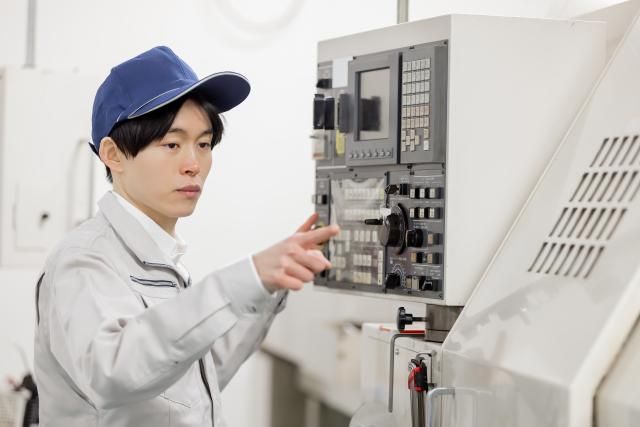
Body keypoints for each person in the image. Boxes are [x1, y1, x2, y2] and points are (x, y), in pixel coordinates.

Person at [33, 46, 339, 426]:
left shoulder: (157, 258)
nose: (194, 165)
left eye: (204, 144)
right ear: (113, 155)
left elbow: (187, 384)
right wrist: (246, 277)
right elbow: (112, 371)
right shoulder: (84, 260)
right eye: (172, 145)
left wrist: (267, 286)